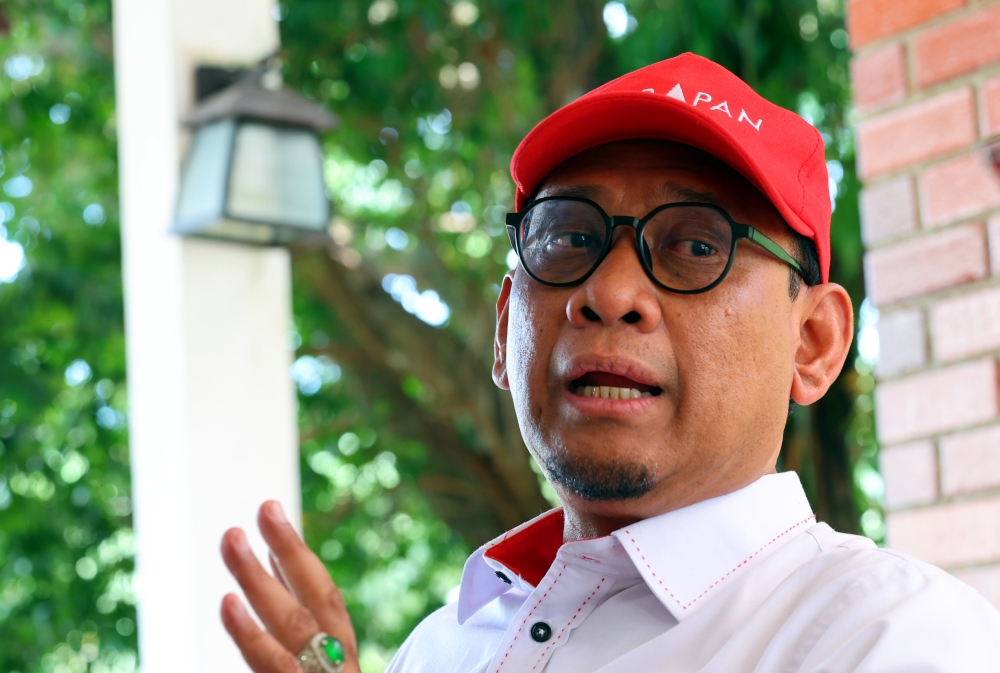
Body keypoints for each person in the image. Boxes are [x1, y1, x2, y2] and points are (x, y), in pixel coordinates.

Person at [217, 53, 1000, 673]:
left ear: (814, 343)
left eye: (696, 244)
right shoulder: (444, 646)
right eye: (567, 237)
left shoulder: (890, 635)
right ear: (504, 331)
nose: (610, 290)